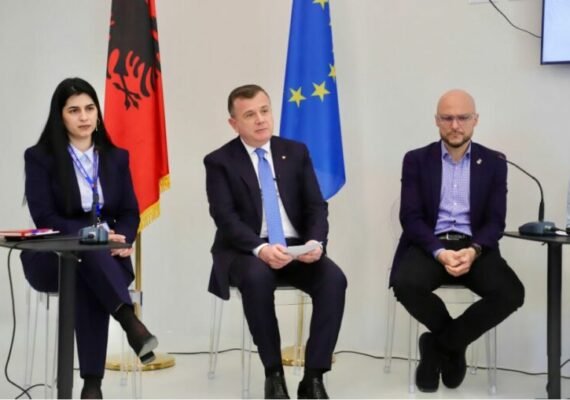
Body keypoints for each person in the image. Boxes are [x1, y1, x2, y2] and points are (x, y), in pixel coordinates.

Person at [204, 84, 347, 399]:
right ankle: (274, 374)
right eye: (249, 115)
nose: (260, 120)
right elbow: (225, 218)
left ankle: (314, 377)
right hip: (247, 249)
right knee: (257, 278)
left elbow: (316, 206)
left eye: (264, 111)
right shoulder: (220, 161)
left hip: (295, 247)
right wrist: (261, 249)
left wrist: (315, 242)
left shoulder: (295, 152)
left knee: (334, 280)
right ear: (234, 123)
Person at [21, 77, 158, 399]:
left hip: (108, 258)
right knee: (87, 254)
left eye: (90, 108)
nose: (84, 117)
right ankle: (126, 325)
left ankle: (92, 385)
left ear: (98, 113)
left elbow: (130, 212)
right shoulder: (40, 157)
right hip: (53, 257)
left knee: (89, 269)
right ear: (60, 116)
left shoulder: (116, 157)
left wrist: (123, 240)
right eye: (74, 110)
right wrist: (91, 235)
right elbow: (44, 216)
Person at [390, 89, 525, 392]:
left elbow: (495, 221)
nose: (455, 125)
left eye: (462, 118)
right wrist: (439, 252)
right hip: (430, 244)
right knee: (405, 284)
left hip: (475, 247)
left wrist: (474, 251)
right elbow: (410, 217)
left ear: (475, 120)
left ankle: (438, 346)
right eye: (447, 118)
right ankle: (455, 343)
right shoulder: (416, 160)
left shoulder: (494, 162)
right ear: (436, 121)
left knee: (511, 292)